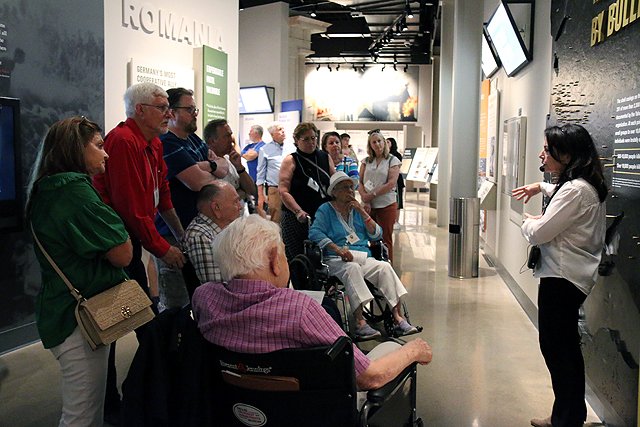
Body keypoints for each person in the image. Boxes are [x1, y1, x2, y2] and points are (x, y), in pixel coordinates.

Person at [192, 214, 432, 394]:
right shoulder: (300, 310)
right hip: (311, 410)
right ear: (275, 261)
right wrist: (413, 350)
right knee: (392, 350)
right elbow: (369, 377)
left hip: (238, 407)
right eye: (284, 255)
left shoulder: (204, 299)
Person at [27, 117, 133, 427]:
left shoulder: (47, 190)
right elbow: (122, 253)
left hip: (65, 310)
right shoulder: (73, 192)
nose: (106, 154)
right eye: (99, 146)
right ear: (76, 148)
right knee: (82, 414)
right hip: (78, 317)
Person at [512, 124, 607, 427]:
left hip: (563, 280)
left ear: (565, 155)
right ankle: (565, 414)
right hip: (567, 278)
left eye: (547, 149)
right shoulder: (580, 185)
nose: (542, 154)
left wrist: (528, 222)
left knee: (558, 350)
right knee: (562, 348)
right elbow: (562, 196)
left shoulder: (576, 190)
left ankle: (567, 419)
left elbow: (539, 233)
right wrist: (540, 187)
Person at [309, 172, 418, 339]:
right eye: (345, 188)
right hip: (336, 258)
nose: (350, 191)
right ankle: (360, 323)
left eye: (351, 187)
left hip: (362, 256)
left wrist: (363, 212)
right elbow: (314, 233)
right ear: (335, 191)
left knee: (384, 267)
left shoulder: (357, 210)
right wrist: (338, 249)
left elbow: (377, 235)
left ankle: (398, 319)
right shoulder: (326, 210)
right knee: (352, 269)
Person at [156, 87, 228, 310]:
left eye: (194, 108)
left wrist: (205, 166)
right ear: (172, 112)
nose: (195, 113)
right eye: (189, 109)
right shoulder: (168, 143)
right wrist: (209, 168)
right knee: (177, 302)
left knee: (202, 297)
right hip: (174, 234)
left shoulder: (194, 140)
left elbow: (223, 169)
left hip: (197, 232)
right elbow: (197, 182)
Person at [279, 122, 335, 261]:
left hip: (321, 215)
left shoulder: (324, 157)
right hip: (296, 216)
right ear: (297, 141)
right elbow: (283, 190)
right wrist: (298, 211)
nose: (311, 142)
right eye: (306, 139)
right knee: (297, 256)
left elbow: (335, 183)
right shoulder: (291, 160)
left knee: (321, 256)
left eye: (313, 138)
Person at [182, 181, 243, 284]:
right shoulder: (199, 235)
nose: (240, 207)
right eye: (235, 202)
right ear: (216, 208)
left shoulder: (227, 229)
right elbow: (216, 287)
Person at [358, 130, 401, 262]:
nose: (377, 144)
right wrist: (365, 197)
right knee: (369, 236)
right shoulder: (366, 161)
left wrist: (371, 195)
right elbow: (359, 181)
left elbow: (391, 183)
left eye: (379, 141)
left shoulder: (393, 160)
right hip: (368, 206)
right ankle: (372, 264)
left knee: (385, 237)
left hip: (386, 204)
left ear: (384, 142)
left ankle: (387, 266)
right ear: (370, 145)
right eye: (374, 142)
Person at [203, 119, 255, 206]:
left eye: (230, 135)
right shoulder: (207, 166)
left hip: (240, 218)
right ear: (212, 141)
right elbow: (219, 202)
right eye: (226, 136)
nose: (231, 140)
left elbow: (251, 190)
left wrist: (239, 168)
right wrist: (241, 191)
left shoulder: (230, 159)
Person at [256, 123, 286, 222]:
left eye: (283, 128)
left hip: (292, 188)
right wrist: (260, 195)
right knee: (276, 219)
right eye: (279, 129)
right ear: (272, 134)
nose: (283, 131)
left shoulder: (292, 147)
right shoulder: (265, 149)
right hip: (275, 189)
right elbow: (260, 173)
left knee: (290, 218)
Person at [387, 137, 405, 230]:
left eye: (388, 142)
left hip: (397, 181)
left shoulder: (396, 155)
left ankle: (396, 221)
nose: (386, 143)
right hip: (389, 182)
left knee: (398, 201)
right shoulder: (385, 155)